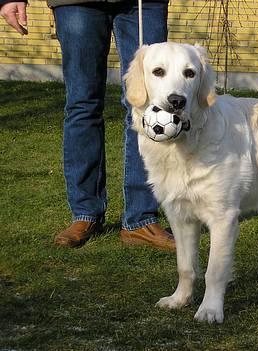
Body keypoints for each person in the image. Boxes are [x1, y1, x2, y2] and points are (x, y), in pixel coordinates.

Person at [0, 0, 175, 250]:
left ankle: (141, 219)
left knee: (147, 105)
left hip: (142, 4)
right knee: (82, 104)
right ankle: (85, 214)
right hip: (75, 2)